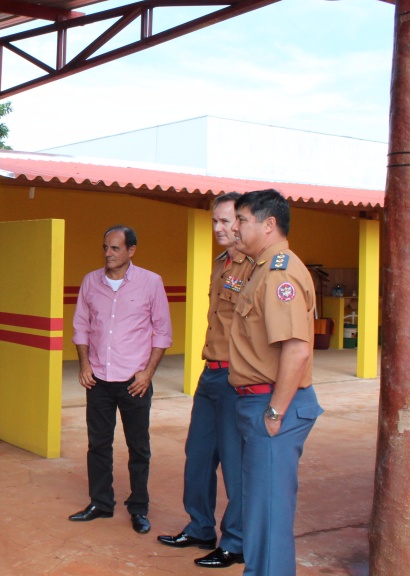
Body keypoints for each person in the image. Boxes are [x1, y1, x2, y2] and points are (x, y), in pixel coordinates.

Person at [228, 189, 323, 576]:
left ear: (269, 225)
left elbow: (297, 350)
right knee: (259, 510)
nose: (234, 228)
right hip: (258, 400)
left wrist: (274, 413)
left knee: (268, 515)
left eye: (241, 220)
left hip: (273, 403)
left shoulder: (280, 271)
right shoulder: (260, 268)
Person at [157, 193, 248, 568]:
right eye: (215, 221)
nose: (219, 228)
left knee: (234, 464)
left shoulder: (255, 266)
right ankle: (200, 528)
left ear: (243, 223)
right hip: (210, 373)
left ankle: (236, 541)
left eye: (226, 221)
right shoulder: (219, 264)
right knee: (197, 455)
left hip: (236, 376)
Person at [68, 225, 172, 534]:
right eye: (105, 247)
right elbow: (81, 326)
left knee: (138, 448)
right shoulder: (91, 281)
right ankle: (101, 503)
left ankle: (138, 508)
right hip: (99, 379)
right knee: (98, 445)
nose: (108, 253)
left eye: (115, 248)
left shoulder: (151, 282)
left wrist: (147, 373)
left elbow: (162, 332)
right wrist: (84, 364)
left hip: (134, 381)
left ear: (131, 250)